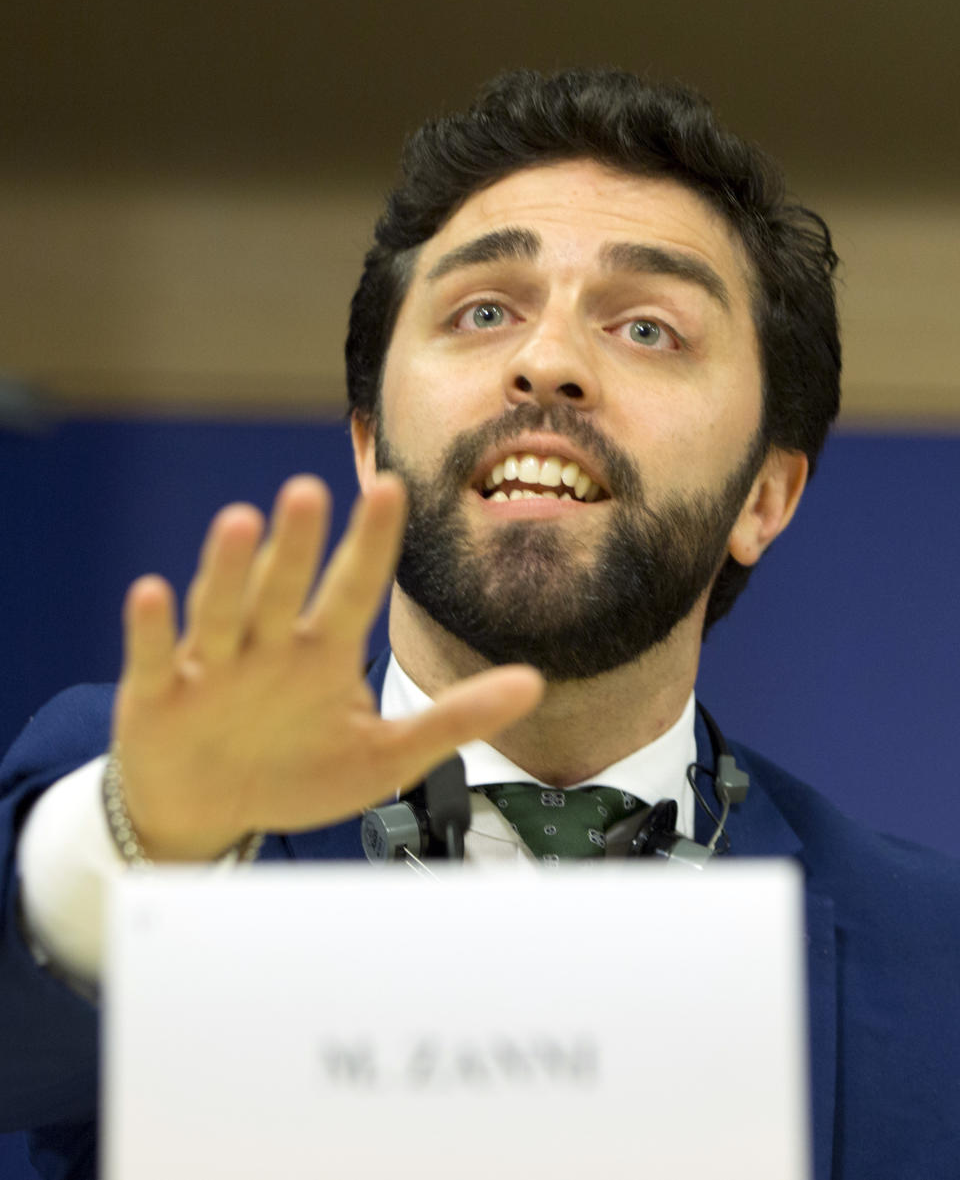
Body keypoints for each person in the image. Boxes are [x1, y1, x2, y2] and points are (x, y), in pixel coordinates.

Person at [1, 68, 958, 1180]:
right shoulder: (136, 798)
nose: (547, 361)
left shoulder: (933, 957)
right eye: (485, 310)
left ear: (765, 497)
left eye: (648, 326)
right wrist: (133, 850)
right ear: (369, 446)